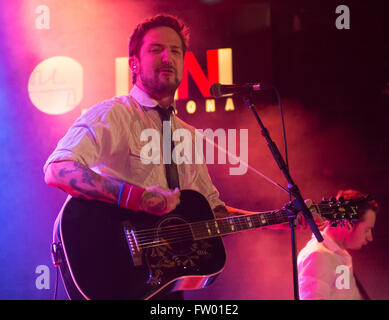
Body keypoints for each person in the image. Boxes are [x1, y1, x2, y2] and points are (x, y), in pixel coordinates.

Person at [44, 14, 260, 300]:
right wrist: (135, 197)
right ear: (134, 63)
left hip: (165, 284)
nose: (168, 58)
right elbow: (57, 169)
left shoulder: (189, 135)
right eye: (156, 50)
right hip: (112, 269)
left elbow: (213, 212)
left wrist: (282, 219)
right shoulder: (113, 114)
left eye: (175, 51)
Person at [297, 189, 379, 300]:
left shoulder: (340, 256)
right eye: (367, 230)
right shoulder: (318, 255)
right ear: (347, 223)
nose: (370, 238)